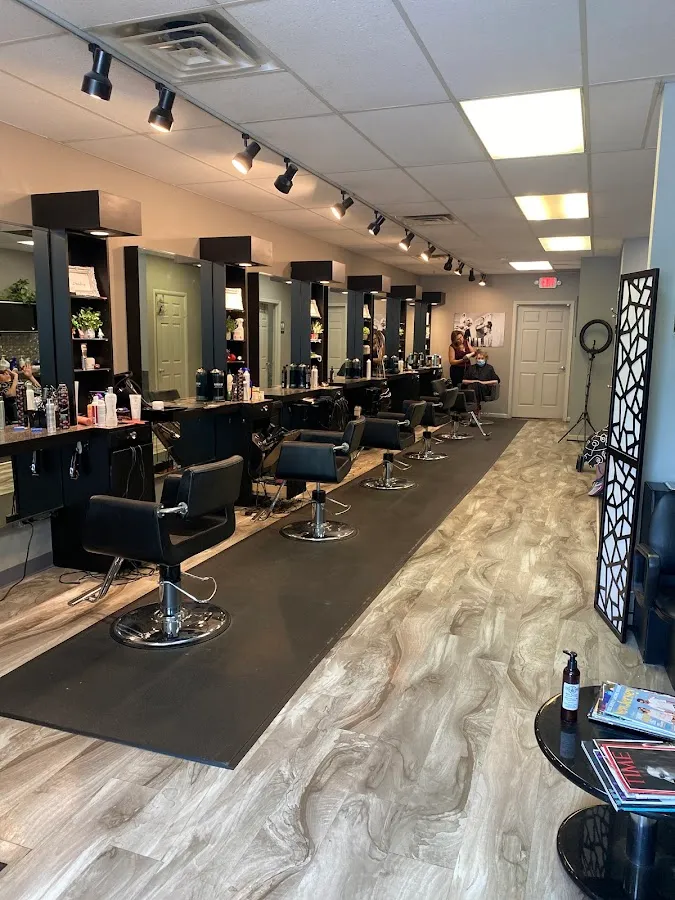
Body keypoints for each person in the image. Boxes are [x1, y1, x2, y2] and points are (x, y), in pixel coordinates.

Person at [462, 350, 500, 416]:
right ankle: (476, 407)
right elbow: (464, 381)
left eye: (482, 358)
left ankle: (475, 408)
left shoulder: (489, 368)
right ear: (476, 359)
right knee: (475, 385)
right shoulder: (471, 368)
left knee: (477, 386)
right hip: (472, 389)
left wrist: (482, 382)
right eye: (478, 358)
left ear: (485, 359)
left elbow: (496, 381)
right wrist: (475, 381)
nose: (480, 360)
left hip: (484, 389)